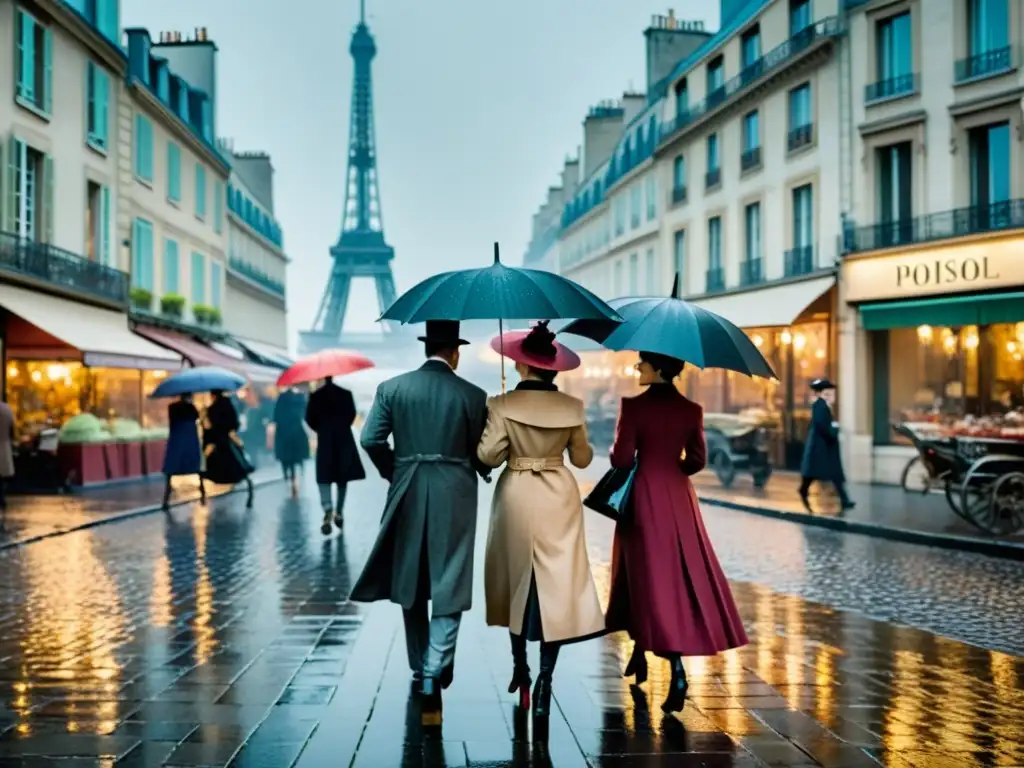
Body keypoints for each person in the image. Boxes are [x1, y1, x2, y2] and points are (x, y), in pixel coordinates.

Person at [352, 320, 489, 727]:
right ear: (455, 352)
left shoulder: (392, 388)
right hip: (455, 492)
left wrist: (394, 470)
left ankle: (420, 667)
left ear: (426, 347)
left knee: (411, 577)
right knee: (450, 577)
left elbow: (370, 439)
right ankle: (435, 666)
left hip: (408, 487)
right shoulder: (473, 395)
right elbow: (481, 453)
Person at [476, 322, 604, 738]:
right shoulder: (573, 406)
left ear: (522, 365)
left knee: (516, 578)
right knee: (556, 586)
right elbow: (582, 460)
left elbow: (488, 456)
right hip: (558, 496)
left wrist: (498, 418)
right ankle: (548, 677)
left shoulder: (501, 404)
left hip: (516, 491)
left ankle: (521, 670)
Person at [607, 351, 748, 713]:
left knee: (641, 575)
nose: (637, 367)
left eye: (642, 363)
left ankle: (673, 666)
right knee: (674, 575)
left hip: (642, 497)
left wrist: (624, 449)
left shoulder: (633, 407)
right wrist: (672, 468)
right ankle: (643, 653)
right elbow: (697, 460)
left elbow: (621, 459)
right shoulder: (692, 410)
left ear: (657, 369)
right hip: (679, 497)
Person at [304, 376, 364, 534]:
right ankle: (339, 511)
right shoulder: (346, 394)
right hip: (344, 439)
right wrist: (341, 426)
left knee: (324, 476)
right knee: (342, 478)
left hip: (325, 440)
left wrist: (321, 428)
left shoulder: (316, 396)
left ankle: (327, 507)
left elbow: (309, 418)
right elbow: (351, 414)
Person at [799, 378, 855, 513]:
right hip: (821, 446)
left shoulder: (822, 405)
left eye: (830, 393)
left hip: (823, 446)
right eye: (827, 393)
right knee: (820, 472)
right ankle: (804, 490)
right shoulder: (820, 406)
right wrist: (833, 430)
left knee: (831, 473)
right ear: (819, 393)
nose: (830, 395)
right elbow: (822, 426)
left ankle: (844, 499)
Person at [202, 390, 254, 507]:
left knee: (211, 469)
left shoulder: (212, 409)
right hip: (228, 441)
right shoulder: (229, 405)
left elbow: (210, 429)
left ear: (213, 395)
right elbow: (235, 424)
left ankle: (203, 497)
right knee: (239, 467)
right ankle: (249, 493)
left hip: (217, 443)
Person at [161, 394, 205, 511]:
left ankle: (166, 500)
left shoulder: (172, 407)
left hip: (177, 440)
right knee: (196, 470)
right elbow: (197, 418)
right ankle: (203, 496)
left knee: (172, 471)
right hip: (190, 440)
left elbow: (172, 422)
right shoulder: (192, 408)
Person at [273, 387, 310, 498]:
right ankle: (296, 476)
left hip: (283, 432)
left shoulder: (281, 398)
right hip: (296, 431)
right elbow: (305, 414)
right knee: (296, 456)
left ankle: (287, 476)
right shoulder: (299, 398)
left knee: (286, 457)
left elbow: (276, 416)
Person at [0, 400, 14, 511]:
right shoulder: (6, 409)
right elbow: (12, 429)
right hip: (4, 445)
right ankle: (1, 498)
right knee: (2, 476)